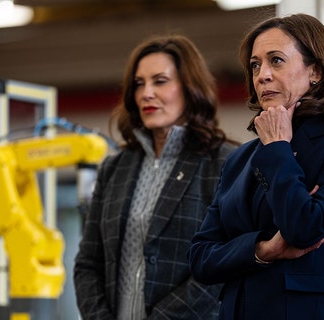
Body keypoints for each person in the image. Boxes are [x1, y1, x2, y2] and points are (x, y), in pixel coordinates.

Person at [188, 13, 324, 320]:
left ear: (315, 71)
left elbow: (305, 228)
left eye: (276, 60)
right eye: (255, 65)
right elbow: (200, 258)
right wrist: (262, 249)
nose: (262, 74)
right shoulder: (240, 159)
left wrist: (278, 147)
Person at [74, 34, 237, 319]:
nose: (146, 93)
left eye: (160, 81)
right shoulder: (114, 169)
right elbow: (88, 263)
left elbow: (224, 263)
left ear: (189, 87)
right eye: (139, 84)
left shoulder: (223, 162)